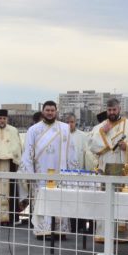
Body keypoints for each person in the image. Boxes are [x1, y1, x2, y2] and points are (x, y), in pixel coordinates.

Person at [88, 98, 128, 242]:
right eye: (109, 110)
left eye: (114, 110)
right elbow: (91, 145)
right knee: (103, 201)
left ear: (119, 109)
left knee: (122, 201)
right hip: (104, 169)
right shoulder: (100, 126)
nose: (112, 112)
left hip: (122, 170)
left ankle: (123, 234)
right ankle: (103, 232)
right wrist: (102, 132)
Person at [21, 100, 75, 239]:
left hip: (60, 173)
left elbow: (71, 151)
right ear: (43, 111)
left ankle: (59, 231)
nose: (50, 113)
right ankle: (42, 230)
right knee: (42, 201)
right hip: (41, 174)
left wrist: (73, 171)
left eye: (52, 110)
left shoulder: (65, 128)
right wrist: (30, 174)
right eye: (47, 110)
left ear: (56, 111)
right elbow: (28, 153)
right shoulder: (33, 130)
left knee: (60, 200)